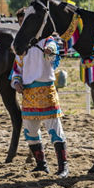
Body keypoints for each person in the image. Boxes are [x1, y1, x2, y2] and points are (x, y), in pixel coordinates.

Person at [11, 34, 68, 177]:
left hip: (46, 91)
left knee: (55, 130)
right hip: (28, 94)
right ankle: (41, 165)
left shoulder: (46, 40)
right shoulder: (21, 47)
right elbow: (17, 70)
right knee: (30, 132)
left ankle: (63, 167)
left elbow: (53, 49)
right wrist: (16, 82)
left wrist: (50, 50)